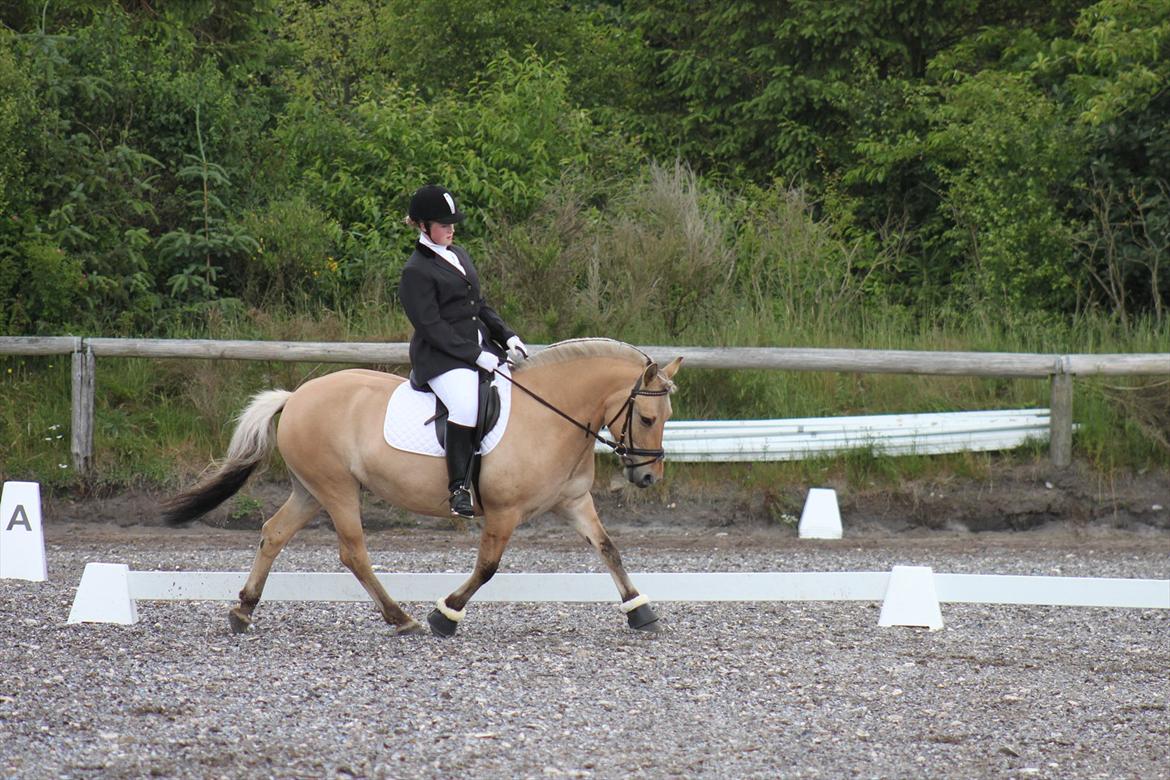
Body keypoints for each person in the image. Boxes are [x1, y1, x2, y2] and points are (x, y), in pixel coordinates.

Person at [398, 184, 528, 518]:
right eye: (444, 224)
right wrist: (473, 355)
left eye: (453, 223)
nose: (451, 229)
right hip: (440, 357)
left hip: (478, 347)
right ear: (424, 226)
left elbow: (478, 305)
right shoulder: (415, 271)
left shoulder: (459, 254)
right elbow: (431, 327)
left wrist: (507, 336)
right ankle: (458, 488)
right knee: (466, 405)